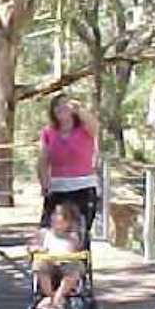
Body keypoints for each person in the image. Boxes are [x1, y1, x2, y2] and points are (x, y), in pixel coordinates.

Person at [37, 92, 99, 236]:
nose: (61, 108)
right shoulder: (48, 132)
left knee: (80, 232)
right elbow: (42, 159)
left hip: (83, 187)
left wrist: (79, 109)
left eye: (65, 104)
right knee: (49, 230)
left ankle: (81, 257)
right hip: (58, 188)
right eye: (57, 106)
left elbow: (95, 126)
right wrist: (44, 183)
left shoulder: (84, 129)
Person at [29, 202, 84, 309]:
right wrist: (35, 249)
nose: (56, 218)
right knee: (40, 264)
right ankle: (49, 296)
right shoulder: (44, 233)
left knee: (74, 269)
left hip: (66, 264)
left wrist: (73, 242)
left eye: (61, 217)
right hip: (49, 264)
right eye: (54, 214)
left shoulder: (72, 236)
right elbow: (32, 246)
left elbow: (75, 249)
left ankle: (58, 297)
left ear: (69, 222)